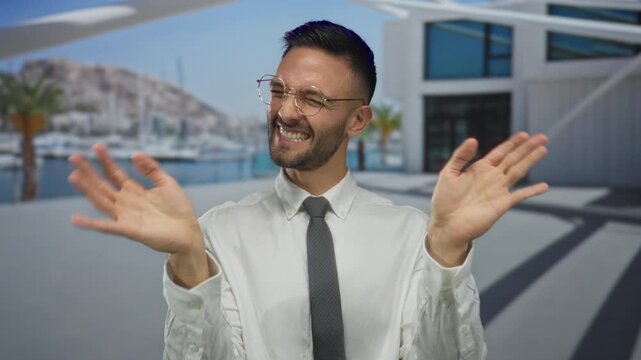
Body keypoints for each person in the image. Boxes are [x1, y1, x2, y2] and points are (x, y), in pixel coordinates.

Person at [68, 20, 549, 360]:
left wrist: (447, 252)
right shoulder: (216, 233)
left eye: (313, 98)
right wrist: (190, 266)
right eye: (279, 90)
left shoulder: (410, 234)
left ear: (358, 119)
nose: (286, 111)